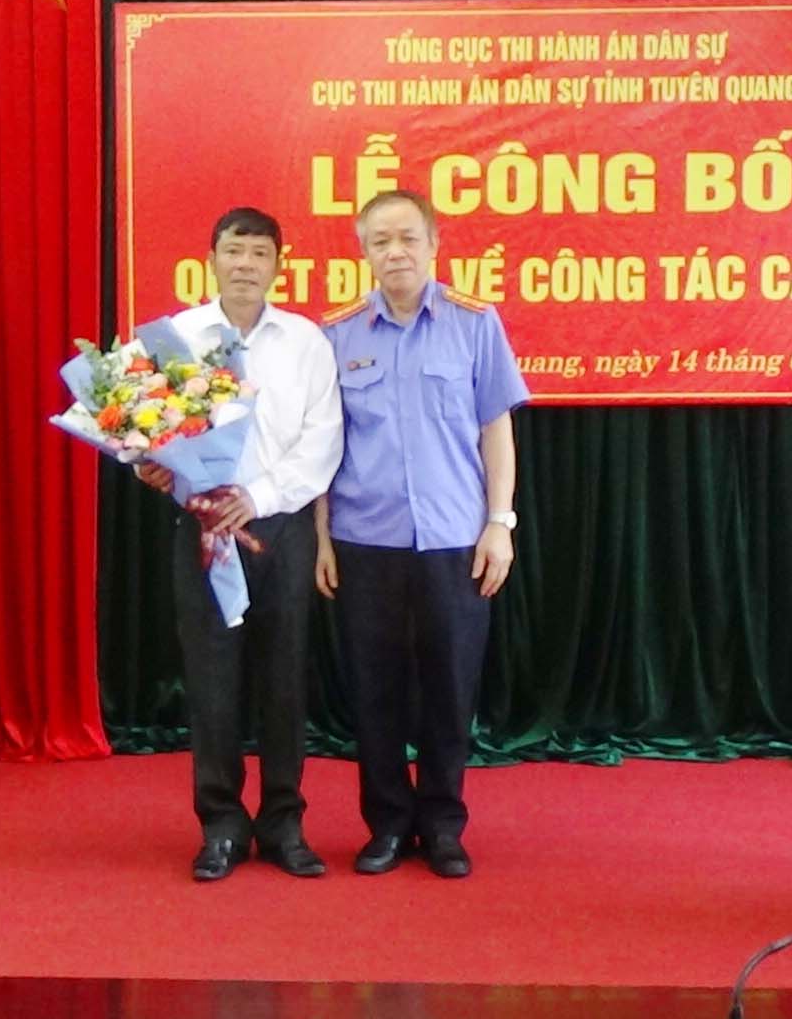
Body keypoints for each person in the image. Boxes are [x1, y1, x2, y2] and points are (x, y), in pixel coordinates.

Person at [314, 190, 529, 879]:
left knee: (450, 686)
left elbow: (496, 428)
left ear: (434, 244)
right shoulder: (337, 335)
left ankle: (441, 825)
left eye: (408, 237)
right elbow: (323, 446)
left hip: (454, 537)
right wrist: (322, 537)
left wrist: (499, 523)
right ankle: (385, 824)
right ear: (364, 253)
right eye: (380, 241)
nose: (395, 252)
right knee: (373, 690)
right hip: (363, 537)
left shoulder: (474, 323)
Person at [136, 207, 343, 881]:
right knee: (212, 680)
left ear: (279, 265)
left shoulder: (306, 341)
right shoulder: (177, 339)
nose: (246, 265)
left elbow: (323, 439)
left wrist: (258, 496)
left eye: (259, 253)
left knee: (284, 678)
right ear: (211, 260)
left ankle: (284, 823)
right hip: (202, 530)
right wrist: (147, 463)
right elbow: (145, 427)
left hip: (279, 528)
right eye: (234, 251)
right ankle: (221, 824)